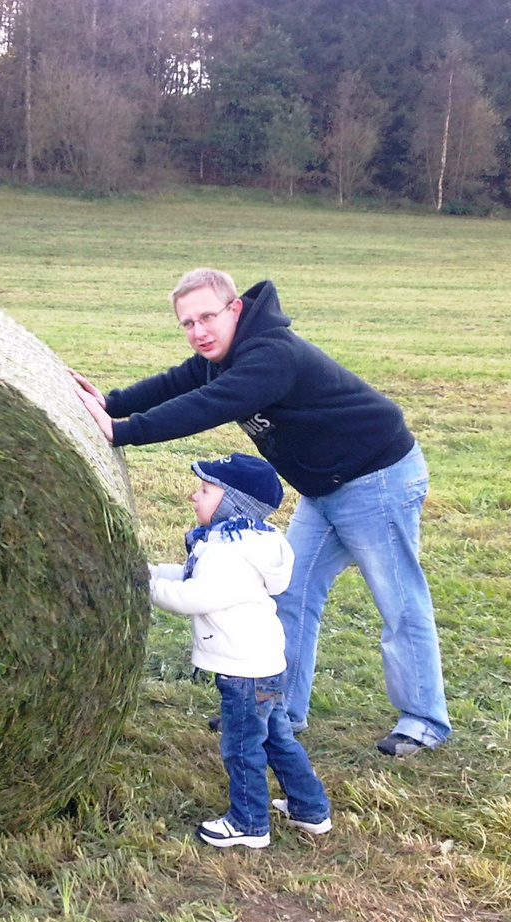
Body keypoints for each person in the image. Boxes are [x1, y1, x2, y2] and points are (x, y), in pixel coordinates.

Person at [72, 268, 449, 756]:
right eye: (187, 323)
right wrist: (111, 401)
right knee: (288, 591)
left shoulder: (270, 355)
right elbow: (178, 383)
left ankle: (424, 720)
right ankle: (281, 707)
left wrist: (121, 430)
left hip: (377, 476)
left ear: (235, 310)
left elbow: (209, 404)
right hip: (323, 486)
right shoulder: (220, 354)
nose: (198, 331)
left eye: (207, 317)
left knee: (398, 601)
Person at [149, 453, 332, 848]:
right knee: (276, 739)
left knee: (242, 746)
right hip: (264, 663)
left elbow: (194, 595)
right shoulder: (244, 541)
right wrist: (149, 571)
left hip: (243, 671)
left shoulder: (227, 551)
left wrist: (145, 588)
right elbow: (188, 575)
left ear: (233, 502)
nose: (193, 497)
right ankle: (310, 809)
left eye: (205, 490)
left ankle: (249, 823)